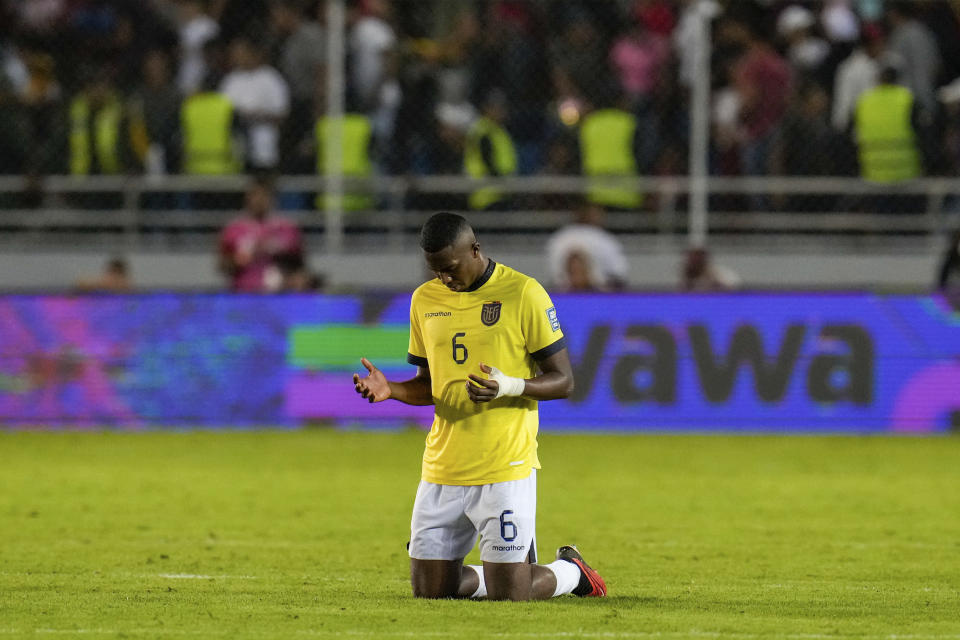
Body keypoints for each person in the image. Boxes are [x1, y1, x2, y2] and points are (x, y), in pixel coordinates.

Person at [352, 212, 606, 601]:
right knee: (431, 592)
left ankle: (571, 572)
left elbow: (564, 381)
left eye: (451, 269)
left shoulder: (523, 293)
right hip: (443, 467)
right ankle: (503, 571)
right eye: (435, 271)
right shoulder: (425, 300)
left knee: (511, 597)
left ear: (474, 249)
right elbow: (429, 387)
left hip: (503, 465)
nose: (444, 279)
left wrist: (510, 385)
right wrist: (392, 390)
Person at [218, 177, 304, 292]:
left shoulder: (287, 228)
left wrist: (275, 251)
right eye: (255, 195)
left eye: (264, 195)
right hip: (243, 293)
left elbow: (300, 264)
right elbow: (222, 265)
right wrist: (240, 259)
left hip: (279, 294)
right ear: (247, 198)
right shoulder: (234, 229)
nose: (259, 200)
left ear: (272, 198)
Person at [546, 201, 628, 291]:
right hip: (565, 292)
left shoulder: (603, 238)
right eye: (574, 270)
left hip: (600, 292)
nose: (577, 271)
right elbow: (554, 275)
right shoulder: (561, 239)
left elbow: (619, 275)